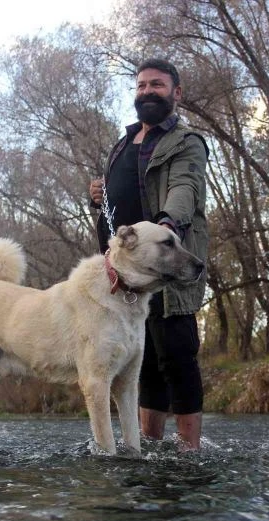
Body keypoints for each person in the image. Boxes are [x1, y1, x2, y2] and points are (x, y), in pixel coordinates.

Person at [88, 58, 209, 451]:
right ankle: (150, 446)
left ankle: (190, 452)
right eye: (141, 86)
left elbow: (185, 188)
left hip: (170, 266)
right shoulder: (123, 143)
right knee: (144, 361)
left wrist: (168, 228)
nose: (147, 92)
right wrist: (97, 197)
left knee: (177, 355)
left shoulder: (186, 142)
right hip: (126, 277)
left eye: (156, 85)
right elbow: (115, 205)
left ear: (176, 92)